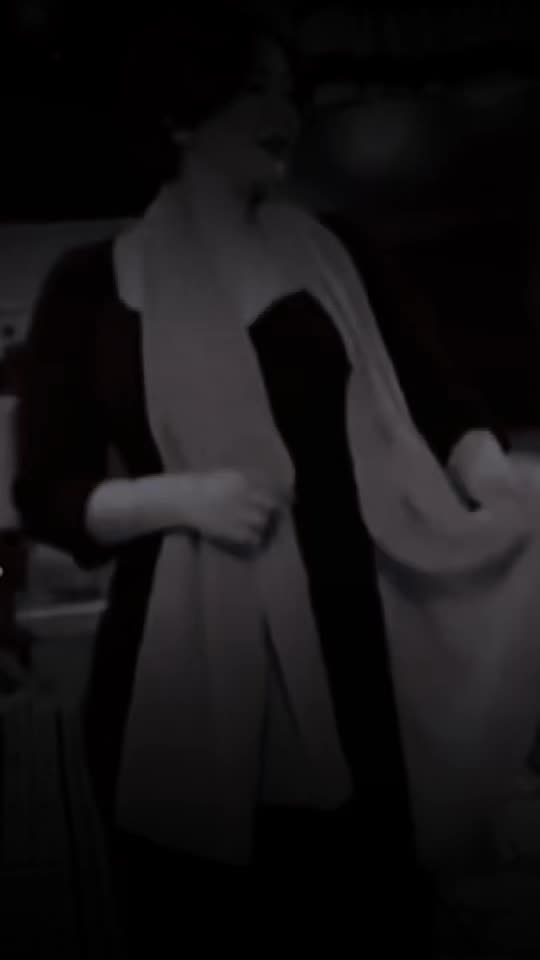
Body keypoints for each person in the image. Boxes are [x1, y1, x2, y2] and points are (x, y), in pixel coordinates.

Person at [15, 6, 536, 958]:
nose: (285, 113)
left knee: (372, 919)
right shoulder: (94, 283)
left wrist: (500, 486)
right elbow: (48, 489)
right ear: (180, 114)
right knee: (209, 925)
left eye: (291, 93)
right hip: (177, 680)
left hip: (361, 658)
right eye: (256, 88)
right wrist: (180, 499)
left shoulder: (339, 253)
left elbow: (440, 400)